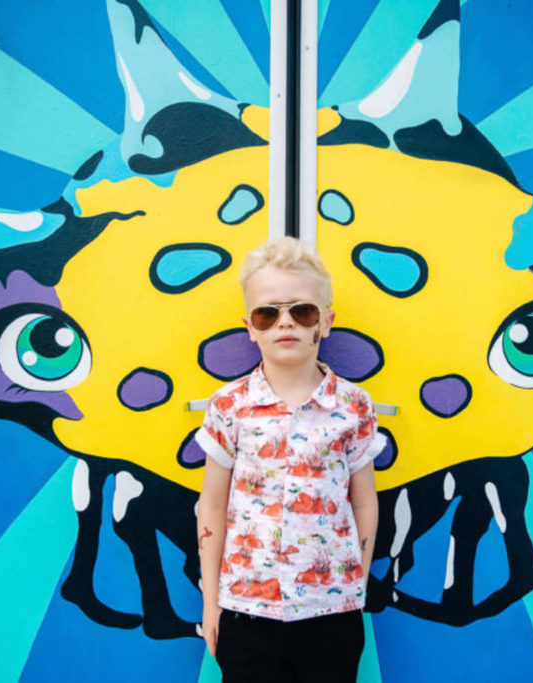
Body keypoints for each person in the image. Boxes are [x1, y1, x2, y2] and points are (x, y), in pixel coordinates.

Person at [195, 236, 383, 683]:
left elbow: (365, 503)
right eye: (268, 312)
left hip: (332, 612)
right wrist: (211, 602)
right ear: (250, 326)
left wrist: (356, 586)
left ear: (326, 321)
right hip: (245, 611)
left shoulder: (354, 405)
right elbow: (212, 505)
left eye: (303, 311)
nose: (286, 323)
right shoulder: (229, 405)